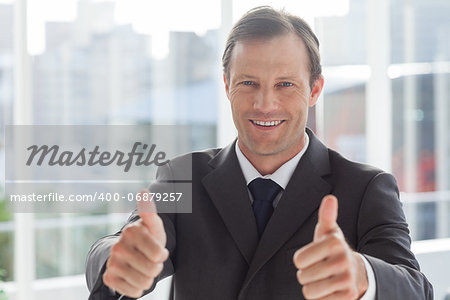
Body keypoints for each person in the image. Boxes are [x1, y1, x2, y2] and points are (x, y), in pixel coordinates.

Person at [86, 6, 433, 300]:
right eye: (248, 83)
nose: (265, 104)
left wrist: (363, 276)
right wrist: (117, 258)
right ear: (226, 86)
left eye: (285, 85)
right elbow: (121, 244)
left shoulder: (366, 187)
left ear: (314, 90)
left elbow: (416, 288)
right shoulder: (183, 177)